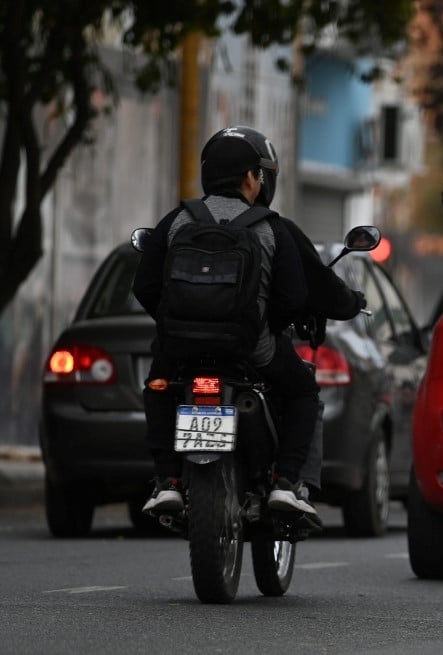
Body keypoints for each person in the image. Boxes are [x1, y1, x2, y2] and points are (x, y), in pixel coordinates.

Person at [132, 125, 366, 519]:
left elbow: (145, 285)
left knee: (157, 387)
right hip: (252, 352)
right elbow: (295, 296)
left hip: (181, 350)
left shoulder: (176, 221)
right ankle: (285, 483)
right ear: (251, 178)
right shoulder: (273, 228)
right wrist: (269, 326)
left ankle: (168, 481)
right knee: (303, 392)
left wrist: (176, 323)